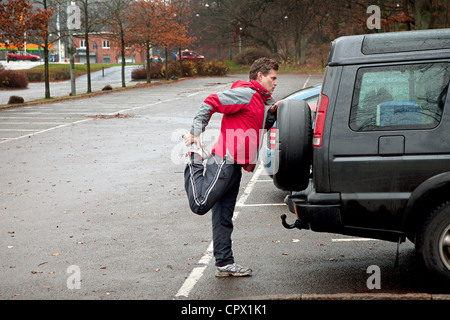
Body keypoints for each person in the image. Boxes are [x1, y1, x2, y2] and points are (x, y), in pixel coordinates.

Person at [183, 57, 281, 277]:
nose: (275, 83)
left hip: (235, 165)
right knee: (199, 204)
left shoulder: (259, 100)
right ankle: (193, 156)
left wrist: (272, 111)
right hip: (224, 160)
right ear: (260, 76)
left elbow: (259, 125)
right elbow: (211, 101)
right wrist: (195, 133)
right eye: (272, 78)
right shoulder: (246, 94)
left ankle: (225, 263)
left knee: (223, 216)